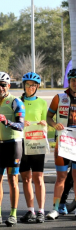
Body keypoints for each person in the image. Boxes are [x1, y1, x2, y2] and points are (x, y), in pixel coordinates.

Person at [0, 72, 25, 227]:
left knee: (12, 180)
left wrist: (7, 122)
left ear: (8, 86)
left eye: (3, 84)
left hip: (13, 144)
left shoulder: (16, 101)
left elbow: (21, 125)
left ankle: (13, 214)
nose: (0, 87)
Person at [45, 68, 76, 220]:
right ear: (69, 82)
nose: (75, 83)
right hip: (63, 142)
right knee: (61, 177)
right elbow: (48, 116)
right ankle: (56, 208)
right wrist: (54, 124)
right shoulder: (59, 97)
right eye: (73, 80)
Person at [18, 72, 47, 224]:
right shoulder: (18, 101)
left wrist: (45, 124)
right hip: (22, 143)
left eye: (33, 85)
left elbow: (47, 122)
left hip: (37, 142)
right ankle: (31, 210)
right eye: (28, 85)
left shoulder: (42, 103)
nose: (31, 87)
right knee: (26, 178)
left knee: (38, 177)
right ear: (24, 85)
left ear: (37, 87)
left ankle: (41, 210)